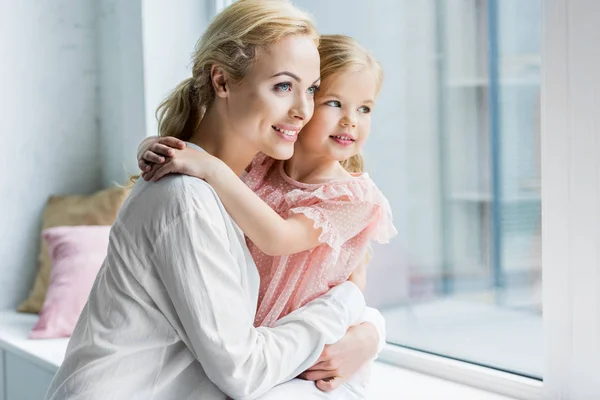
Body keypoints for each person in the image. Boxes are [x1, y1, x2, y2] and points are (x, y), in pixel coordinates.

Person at [46, 2, 383, 400]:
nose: (301, 110)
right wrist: (346, 303)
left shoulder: (232, 184)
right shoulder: (186, 197)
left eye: (310, 90)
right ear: (222, 82)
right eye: (282, 86)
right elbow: (243, 370)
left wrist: (371, 331)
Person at [138, 34, 397, 399]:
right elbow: (204, 149)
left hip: (314, 363)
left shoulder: (354, 198)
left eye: (365, 108)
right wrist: (154, 146)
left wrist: (211, 169)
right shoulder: (260, 165)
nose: (351, 121)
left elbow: (278, 238)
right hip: (253, 351)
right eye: (334, 103)